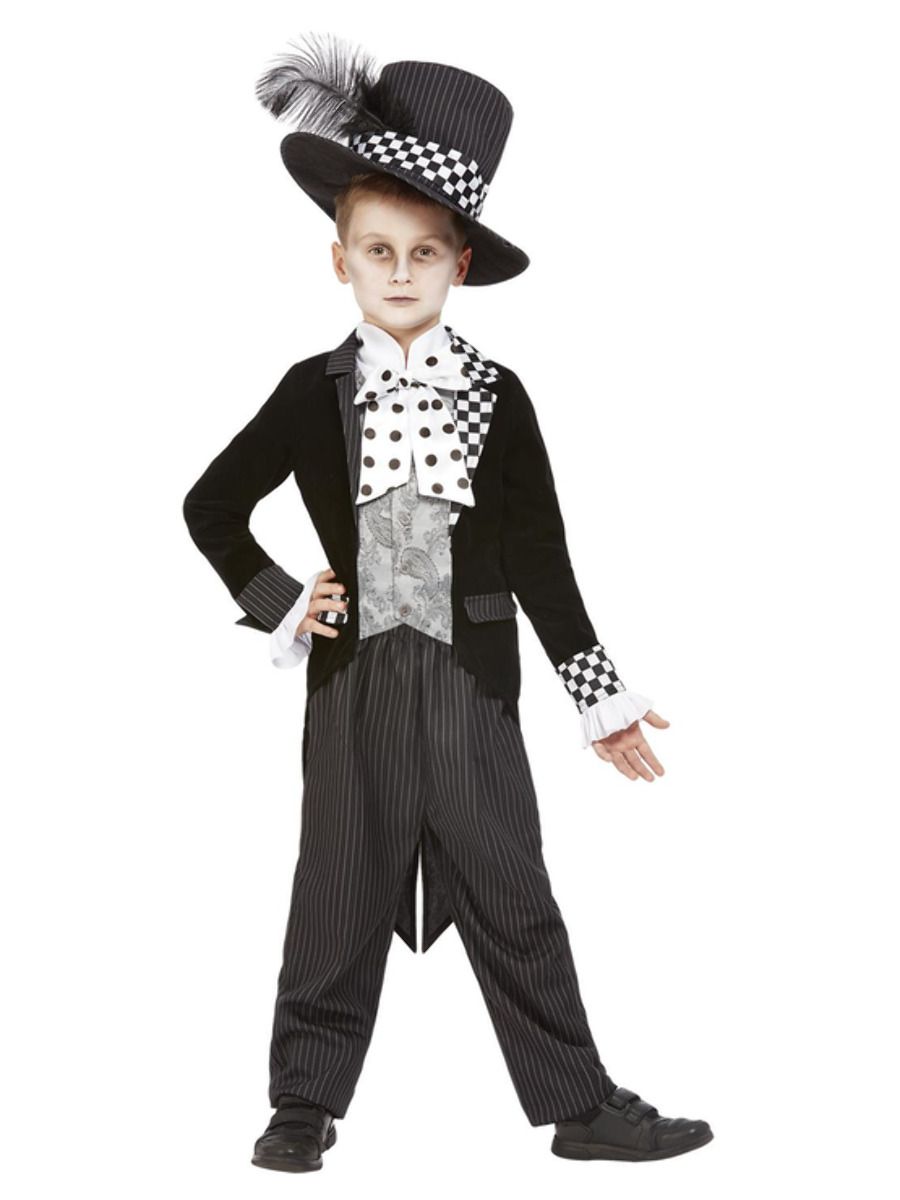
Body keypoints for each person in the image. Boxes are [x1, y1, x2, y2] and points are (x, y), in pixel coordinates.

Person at [182, 31, 713, 1172]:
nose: (401, 272)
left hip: (474, 688)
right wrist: (286, 601)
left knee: (516, 894)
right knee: (335, 894)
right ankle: (301, 1105)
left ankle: (580, 1105)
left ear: (460, 263)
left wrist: (599, 696)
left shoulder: (500, 397)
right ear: (339, 261)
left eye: (425, 251)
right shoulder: (310, 391)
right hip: (354, 687)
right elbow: (210, 506)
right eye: (378, 250)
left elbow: (543, 559)